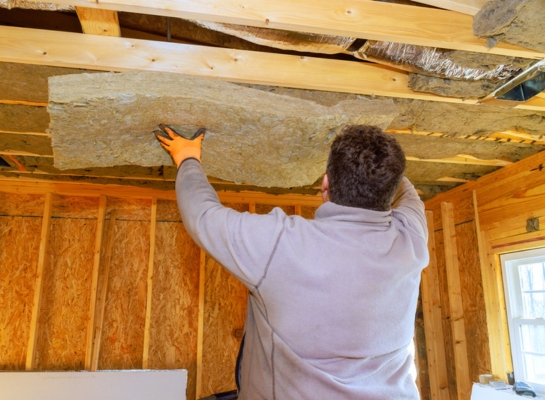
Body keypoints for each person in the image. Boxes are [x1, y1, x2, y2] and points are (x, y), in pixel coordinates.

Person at [155, 124, 429, 400]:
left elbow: (203, 217)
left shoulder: (282, 245)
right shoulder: (411, 237)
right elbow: (407, 193)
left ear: (325, 185)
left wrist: (187, 157)